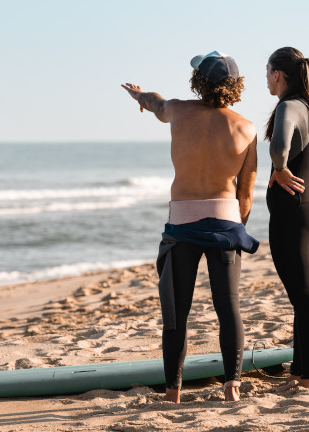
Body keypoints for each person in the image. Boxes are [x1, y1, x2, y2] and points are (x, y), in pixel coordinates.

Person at [121, 51, 258, 403]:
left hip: (182, 223)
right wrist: (234, 228)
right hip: (227, 220)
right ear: (235, 85)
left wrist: (138, 96)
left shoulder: (178, 110)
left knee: (176, 310)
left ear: (199, 82)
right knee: (228, 307)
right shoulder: (247, 128)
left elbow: (155, 102)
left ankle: (173, 392)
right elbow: (246, 192)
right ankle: (232, 385)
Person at [264, 47, 309, 389]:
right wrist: (307, 180)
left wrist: (280, 170)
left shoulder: (289, 107)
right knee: (301, 294)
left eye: (267, 72)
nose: (266, 78)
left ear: (278, 74)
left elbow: (278, 146)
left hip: (293, 215)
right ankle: (299, 371)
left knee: (303, 297)